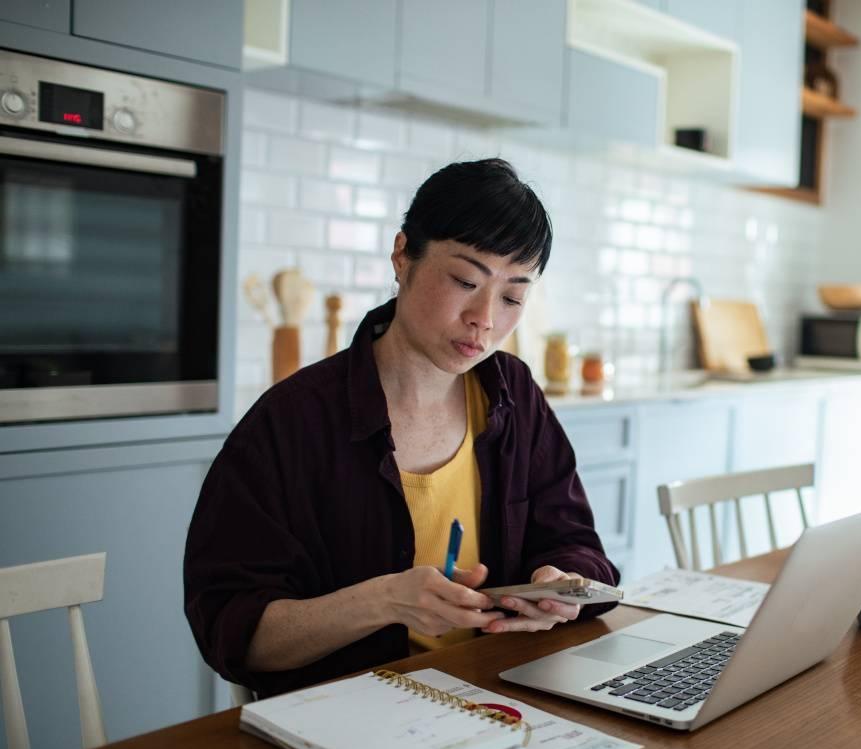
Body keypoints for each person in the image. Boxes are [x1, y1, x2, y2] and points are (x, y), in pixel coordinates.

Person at [184, 158, 619, 698]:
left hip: (500, 699)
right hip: (351, 720)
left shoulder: (513, 396)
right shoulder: (290, 424)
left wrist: (559, 586)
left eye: (511, 297)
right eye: (465, 280)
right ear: (402, 254)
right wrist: (384, 601)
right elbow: (233, 633)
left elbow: (582, 550)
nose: (485, 317)